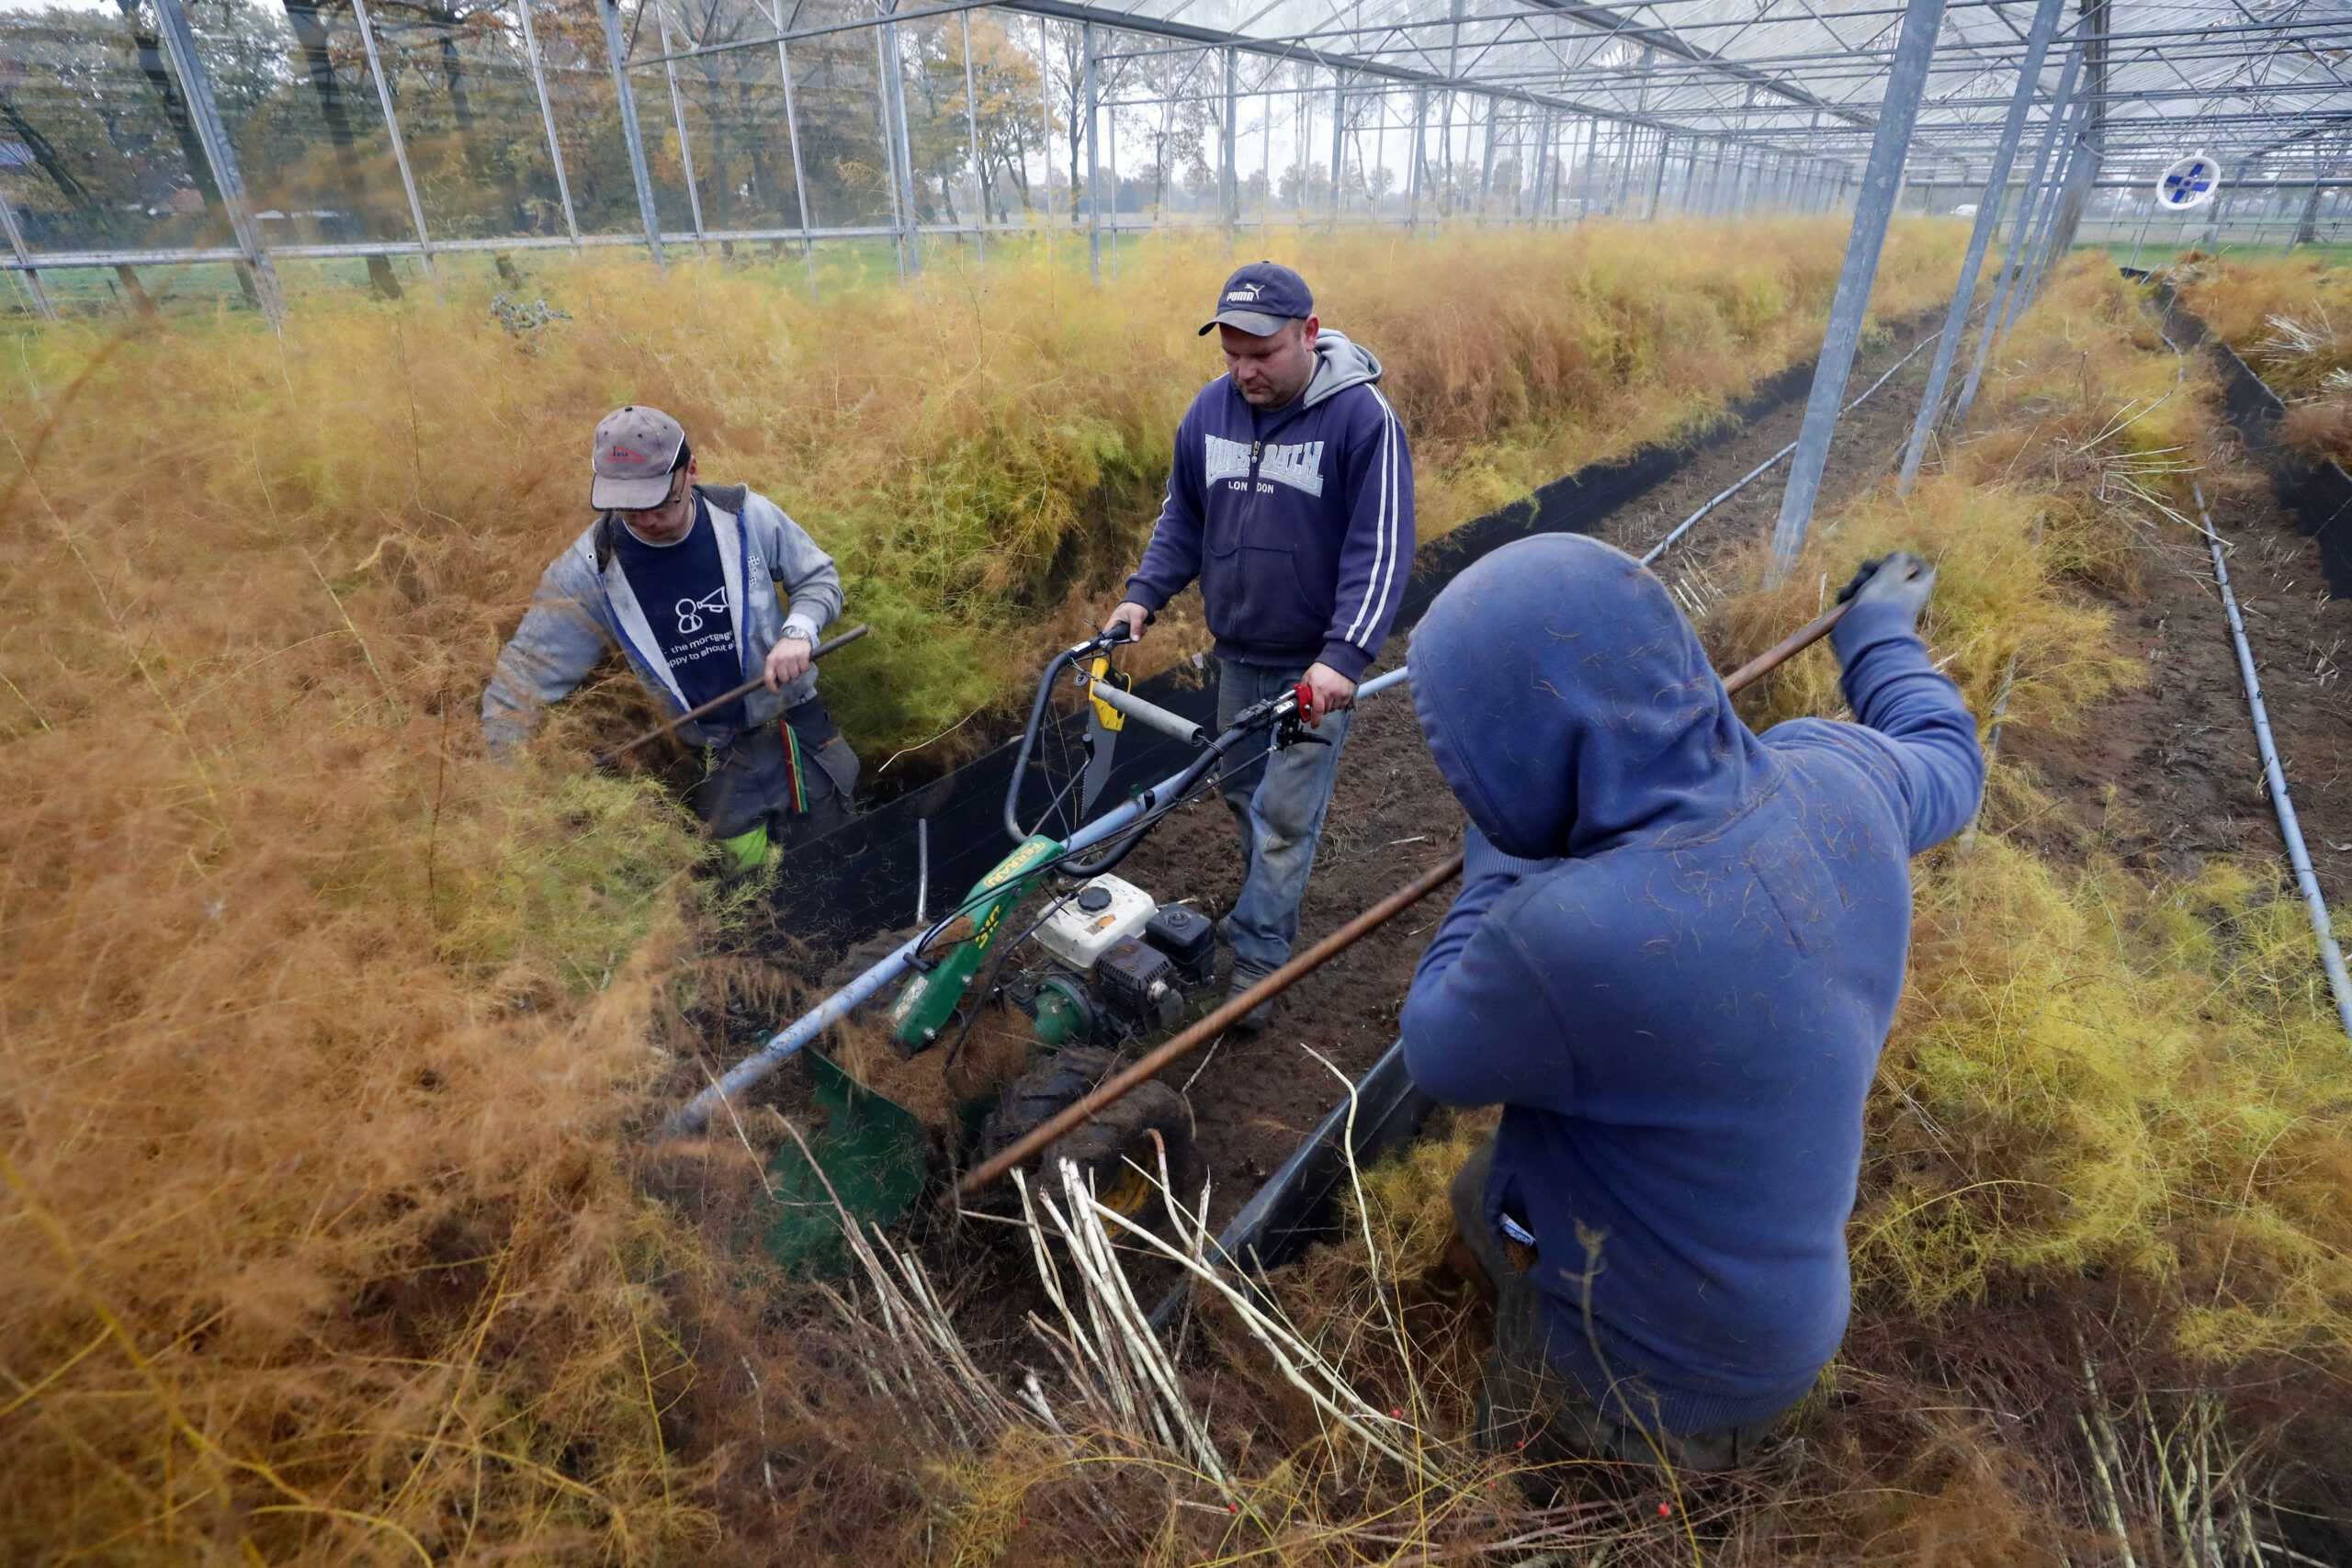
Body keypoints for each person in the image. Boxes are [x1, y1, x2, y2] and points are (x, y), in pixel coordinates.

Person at [1399, 536, 1983, 1476]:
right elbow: (1949, 759)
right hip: (1783, 1313)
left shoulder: (1561, 939)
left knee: (1499, 1484)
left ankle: (1537, 1483)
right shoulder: (1841, 778)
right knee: (1483, 1192)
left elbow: (1433, 1047)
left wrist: (1503, 847)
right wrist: (1878, 635)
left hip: (1645, 1377)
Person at [1107, 262, 1414, 1030]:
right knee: (1242, 791)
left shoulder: (1360, 421)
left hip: (1310, 665)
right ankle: (1261, 913)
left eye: (1263, 354)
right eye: (1232, 355)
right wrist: (1142, 595)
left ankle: (1259, 962)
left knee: (1282, 812)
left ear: (1309, 334)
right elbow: (1184, 518)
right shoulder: (1210, 414)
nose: (1245, 372)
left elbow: (1380, 547)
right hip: (1240, 653)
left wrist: (1344, 656)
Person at [483, 405, 858, 873]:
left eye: (661, 502)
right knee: (756, 891)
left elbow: (820, 580)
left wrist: (798, 631)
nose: (647, 521)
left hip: (797, 731)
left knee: (839, 861)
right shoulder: (588, 572)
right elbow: (520, 683)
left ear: (691, 471)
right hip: (717, 761)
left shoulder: (746, 517)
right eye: (629, 508)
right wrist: (505, 794)